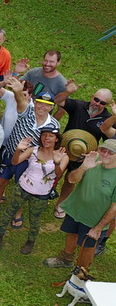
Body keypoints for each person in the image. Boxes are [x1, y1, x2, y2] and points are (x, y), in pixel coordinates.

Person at [0, 81, 59, 215]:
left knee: (23, 190)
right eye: (40, 103)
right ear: (35, 102)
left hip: (29, 161)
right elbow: (20, 101)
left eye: (47, 105)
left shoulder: (54, 125)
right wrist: (18, 91)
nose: (42, 107)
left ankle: (18, 214)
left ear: (51, 107)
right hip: (11, 154)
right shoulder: (26, 111)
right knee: (1, 182)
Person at [0, 125, 69, 254]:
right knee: (9, 212)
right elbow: (15, 162)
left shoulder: (62, 156)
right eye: (44, 135)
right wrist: (18, 150)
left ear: (56, 139)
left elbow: (59, 174)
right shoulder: (33, 150)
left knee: (34, 220)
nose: (46, 138)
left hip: (41, 194)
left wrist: (56, 162)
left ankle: (30, 241)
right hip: (22, 188)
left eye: (50, 136)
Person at [44, 140, 116, 269]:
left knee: (88, 247)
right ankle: (66, 258)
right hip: (76, 209)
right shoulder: (94, 160)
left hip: (94, 219)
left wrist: (99, 228)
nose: (105, 154)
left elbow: (114, 207)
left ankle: (81, 271)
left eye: (111, 152)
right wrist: (83, 167)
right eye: (103, 150)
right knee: (71, 234)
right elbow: (71, 179)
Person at [52, 82, 113, 217]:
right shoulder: (79, 106)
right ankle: (46, 193)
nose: (97, 104)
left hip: (83, 155)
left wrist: (95, 153)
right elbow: (58, 101)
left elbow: (110, 140)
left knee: (70, 181)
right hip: (64, 149)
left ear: (106, 105)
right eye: (96, 99)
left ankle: (60, 204)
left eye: (102, 103)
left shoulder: (107, 119)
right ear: (92, 97)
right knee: (55, 173)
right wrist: (67, 92)